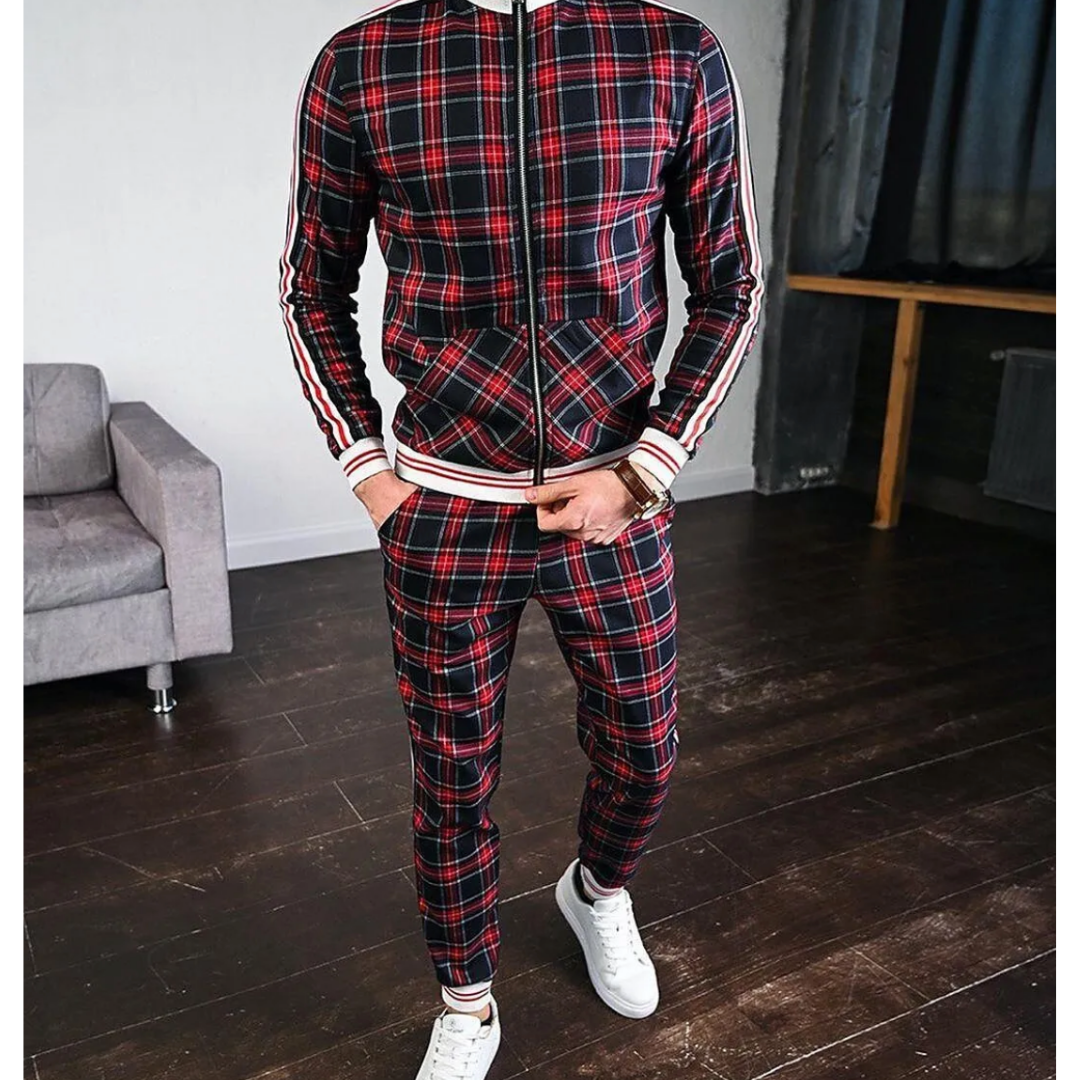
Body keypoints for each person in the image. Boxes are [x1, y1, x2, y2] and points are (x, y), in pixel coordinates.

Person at [279, 0, 762, 1074]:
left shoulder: (676, 52)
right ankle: (467, 1001)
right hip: (443, 511)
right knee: (450, 781)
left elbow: (730, 285)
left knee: (645, 748)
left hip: (615, 500)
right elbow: (312, 286)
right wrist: (371, 473)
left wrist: (645, 468)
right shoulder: (364, 61)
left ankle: (596, 889)